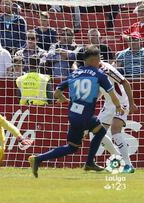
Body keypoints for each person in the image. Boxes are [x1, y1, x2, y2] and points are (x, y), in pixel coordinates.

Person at [28, 45, 124, 178]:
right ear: (94, 60)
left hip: (73, 115)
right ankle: (90, 162)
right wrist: (119, 107)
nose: (100, 62)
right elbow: (112, 95)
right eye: (99, 59)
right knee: (101, 131)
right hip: (86, 115)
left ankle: (38, 159)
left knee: (72, 147)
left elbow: (56, 93)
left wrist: (63, 98)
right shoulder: (99, 74)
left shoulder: (74, 73)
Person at [97, 62, 139, 173]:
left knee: (115, 131)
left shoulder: (107, 70)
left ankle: (128, 165)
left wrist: (131, 103)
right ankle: (118, 158)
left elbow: (125, 82)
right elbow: (100, 90)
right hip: (109, 104)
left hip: (121, 102)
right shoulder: (92, 72)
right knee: (97, 132)